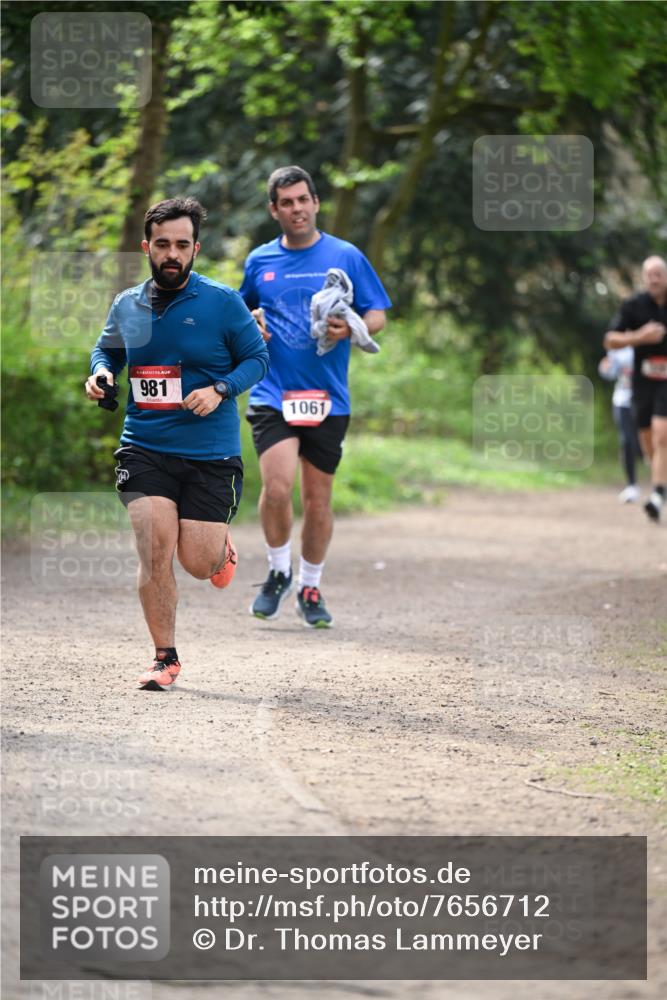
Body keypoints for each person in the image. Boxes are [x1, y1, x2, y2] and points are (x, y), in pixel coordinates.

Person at [85, 197, 269, 689]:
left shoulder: (222, 302)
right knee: (153, 545)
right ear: (147, 246)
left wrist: (221, 389)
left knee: (196, 561)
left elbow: (257, 358)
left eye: (182, 245)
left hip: (210, 453)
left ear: (195, 249)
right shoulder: (128, 303)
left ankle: (219, 551)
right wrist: (101, 372)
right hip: (144, 445)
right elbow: (107, 349)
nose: (172, 254)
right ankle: (164, 657)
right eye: (162, 244)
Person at [240, 165, 391, 627]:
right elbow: (243, 308)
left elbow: (378, 314)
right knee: (278, 487)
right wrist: (253, 321)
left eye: (303, 199)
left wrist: (350, 329)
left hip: (328, 397)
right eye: (286, 202)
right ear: (274, 210)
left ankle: (310, 585)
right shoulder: (260, 261)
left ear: (316, 202)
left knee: (319, 501)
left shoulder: (344, 255)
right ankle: (278, 570)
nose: (296, 208)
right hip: (273, 391)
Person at [604, 255, 667, 522]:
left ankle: (657, 494)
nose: (653, 279)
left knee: (661, 433)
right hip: (642, 383)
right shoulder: (633, 306)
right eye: (649, 274)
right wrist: (639, 337)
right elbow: (610, 340)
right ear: (643, 278)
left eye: (658, 274)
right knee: (646, 441)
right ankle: (660, 479)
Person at [598, 346, 643, 503]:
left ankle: (659, 483)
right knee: (626, 441)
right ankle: (631, 485)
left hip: (647, 401)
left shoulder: (653, 342)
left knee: (651, 441)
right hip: (622, 400)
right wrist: (605, 368)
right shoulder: (618, 347)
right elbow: (609, 372)